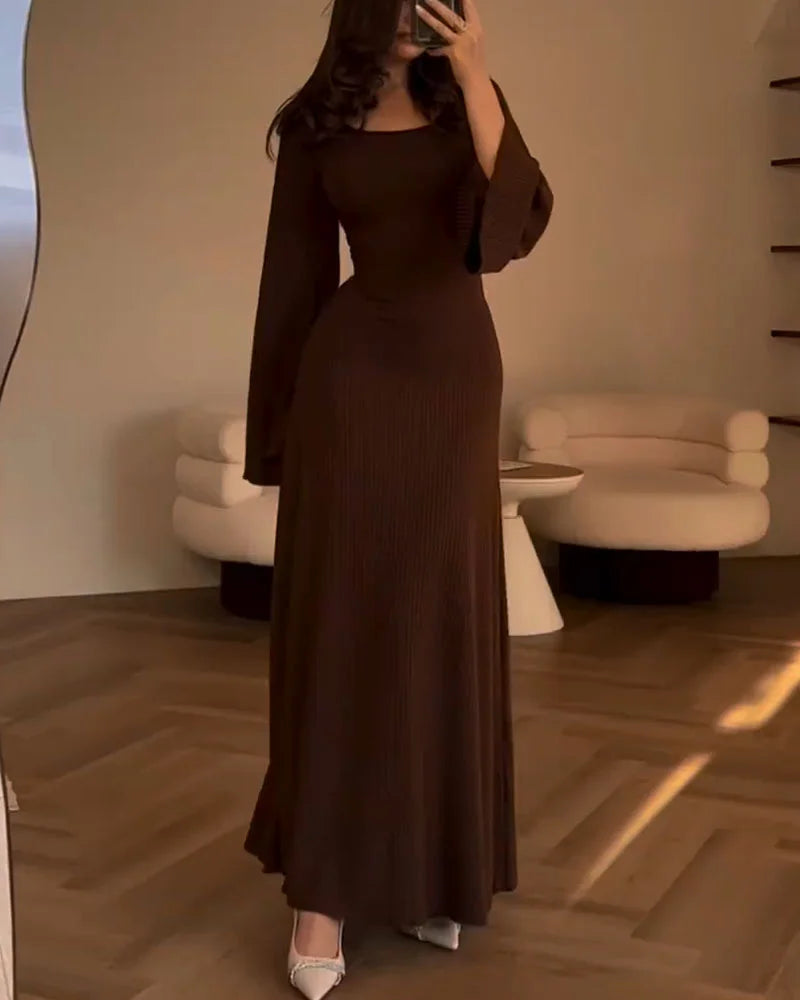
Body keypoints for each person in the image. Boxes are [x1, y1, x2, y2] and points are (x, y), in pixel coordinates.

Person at [243, 0, 553, 995]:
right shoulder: (314, 123)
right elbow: (292, 278)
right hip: (349, 381)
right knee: (344, 622)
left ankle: (431, 872)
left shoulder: (470, 101)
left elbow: (515, 228)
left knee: (436, 620)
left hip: (453, 379)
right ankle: (321, 896)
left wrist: (474, 76)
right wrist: (275, 436)